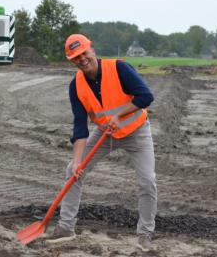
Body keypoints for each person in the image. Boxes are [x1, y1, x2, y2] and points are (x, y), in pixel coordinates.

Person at [46, 34, 157, 252]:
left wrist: (119, 115)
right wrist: (78, 161)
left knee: (147, 181)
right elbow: (80, 126)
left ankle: (145, 233)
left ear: (92, 50)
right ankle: (66, 227)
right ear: (72, 61)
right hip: (105, 134)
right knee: (73, 170)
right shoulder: (76, 86)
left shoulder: (119, 69)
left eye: (84, 53)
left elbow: (146, 96)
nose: (82, 59)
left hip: (137, 132)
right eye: (76, 57)